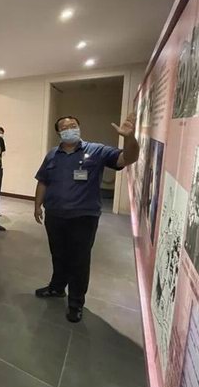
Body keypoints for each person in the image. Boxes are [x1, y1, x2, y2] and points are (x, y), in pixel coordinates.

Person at [34, 114, 139, 323]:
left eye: (73, 125)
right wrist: (37, 205)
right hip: (55, 215)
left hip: (83, 218)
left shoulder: (97, 151)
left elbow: (128, 158)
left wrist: (129, 138)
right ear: (59, 133)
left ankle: (76, 303)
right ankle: (57, 288)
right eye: (65, 127)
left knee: (79, 260)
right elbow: (43, 181)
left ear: (79, 127)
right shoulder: (52, 154)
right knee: (58, 255)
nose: (69, 129)